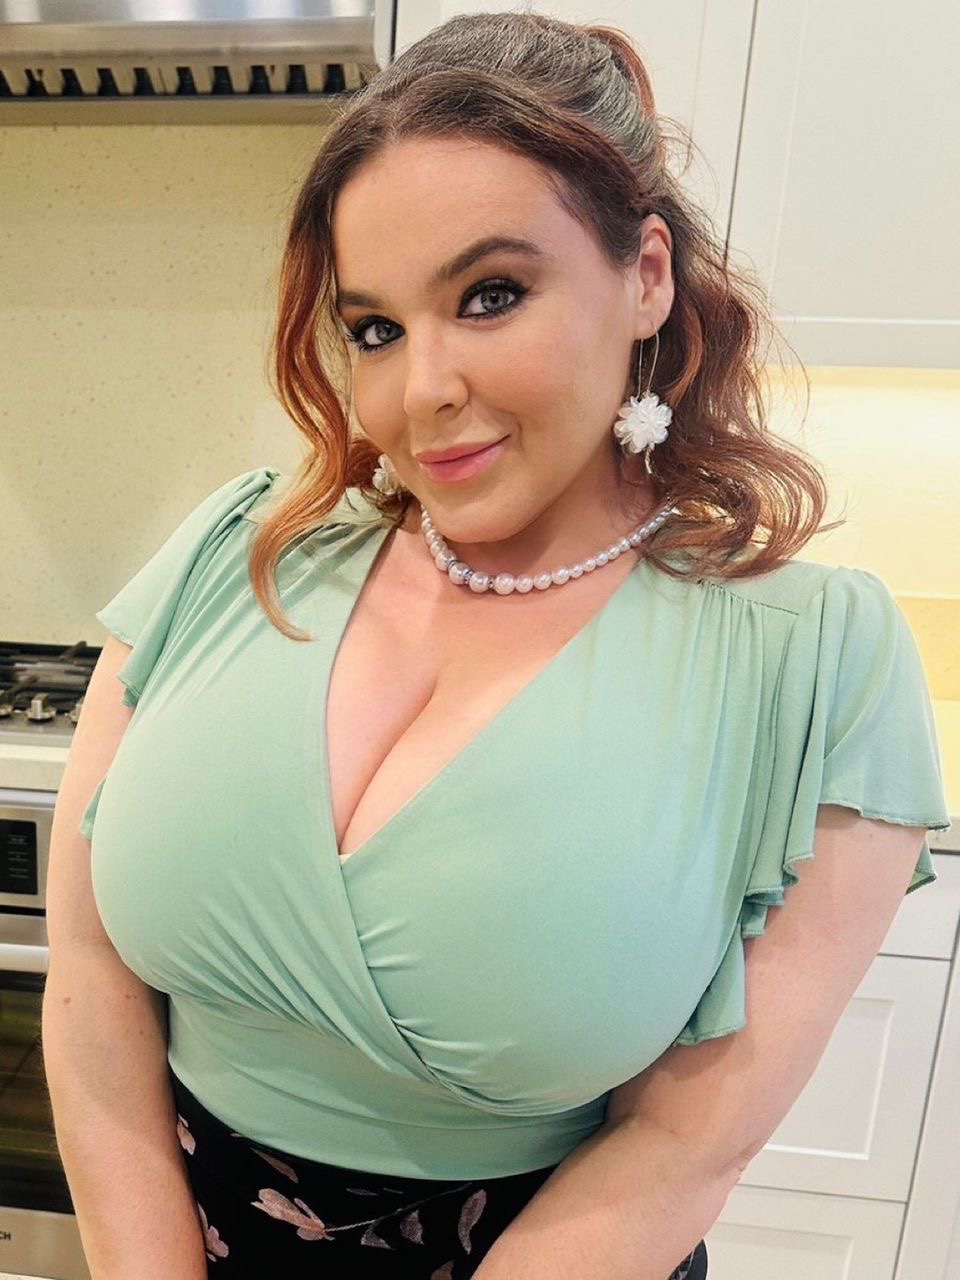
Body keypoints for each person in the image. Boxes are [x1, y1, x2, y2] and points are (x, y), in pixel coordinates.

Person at [42, 11, 951, 1280]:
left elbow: (686, 1145)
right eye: (375, 327)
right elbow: (90, 972)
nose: (423, 389)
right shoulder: (237, 550)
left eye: (491, 295)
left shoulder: (813, 661)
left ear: (646, 275)